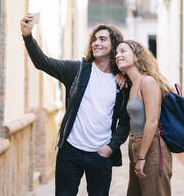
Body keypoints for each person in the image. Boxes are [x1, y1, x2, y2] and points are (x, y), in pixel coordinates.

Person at [20, 14, 130, 196]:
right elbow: (42, 62)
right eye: (94, 39)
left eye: (103, 39)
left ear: (114, 46)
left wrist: (112, 146)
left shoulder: (122, 83)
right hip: (70, 151)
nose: (96, 43)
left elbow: (125, 123)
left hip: (101, 154)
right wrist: (27, 36)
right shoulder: (76, 70)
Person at [115, 40, 173, 196]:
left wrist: (141, 158)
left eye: (123, 51)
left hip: (151, 146)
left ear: (136, 55)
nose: (118, 55)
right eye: (116, 53)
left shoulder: (147, 81)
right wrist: (121, 75)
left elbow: (152, 122)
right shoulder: (131, 83)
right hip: (135, 143)